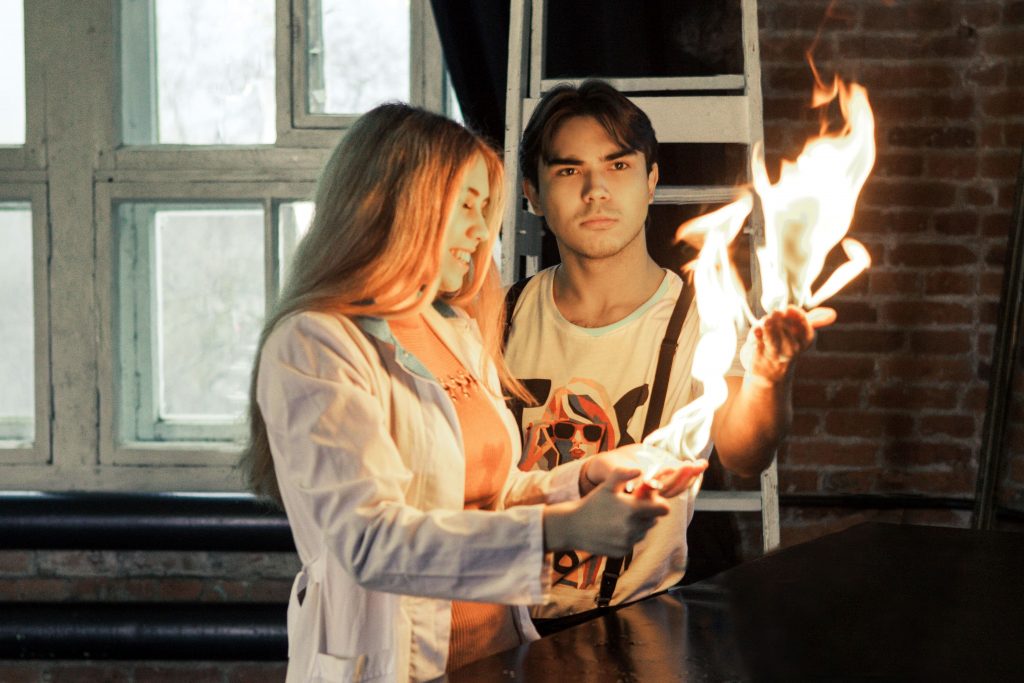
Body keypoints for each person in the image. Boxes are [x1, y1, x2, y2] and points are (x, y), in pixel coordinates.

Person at [240, 103, 707, 682]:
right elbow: (370, 544)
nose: (482, 232)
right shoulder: (314, 343)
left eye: (484, 210)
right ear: (401, 201)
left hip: (499, 657)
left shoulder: (453, 330)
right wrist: (561, 529)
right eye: (466, 206)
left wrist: (583, 478)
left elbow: (494, 493)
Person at [504, 80, 834, 629]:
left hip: (635, 628)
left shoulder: (702, 318)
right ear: (532, 193)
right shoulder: (496, 317)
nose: (595, 190)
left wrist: (769, 377)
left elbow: (745, 455)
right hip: (497, 628)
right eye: (568, 170)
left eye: (617, 166)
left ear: (651, 181)